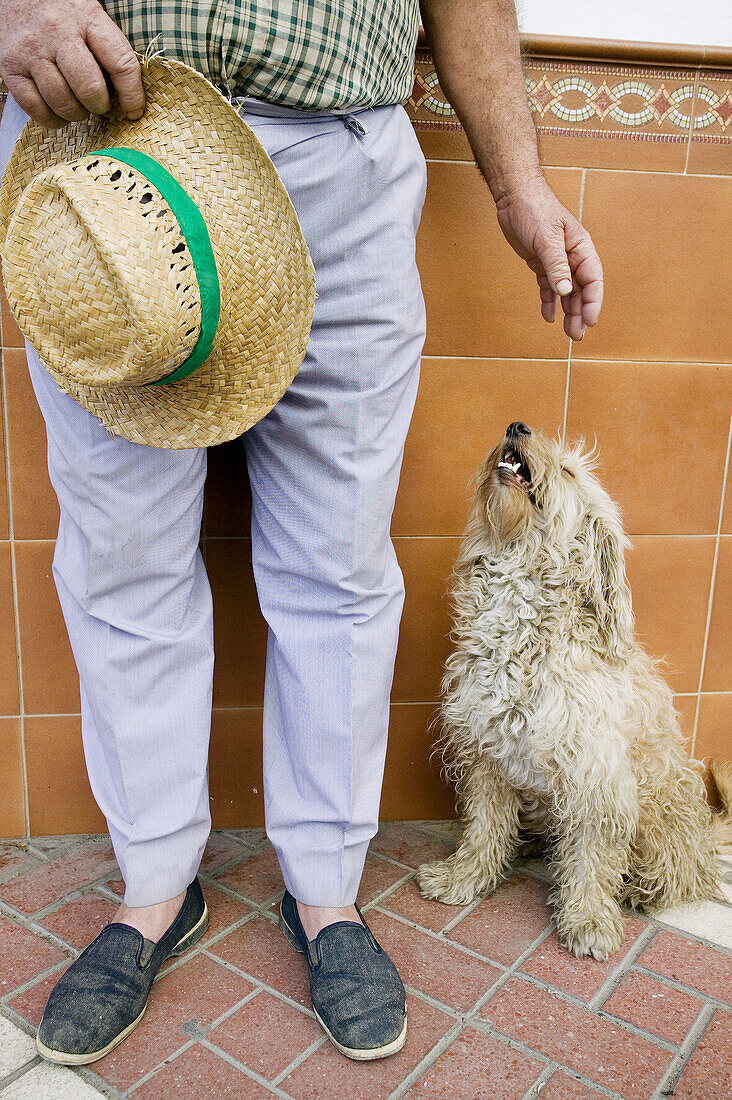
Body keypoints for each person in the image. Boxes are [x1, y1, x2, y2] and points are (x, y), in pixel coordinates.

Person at [0, 0, 603, 1066]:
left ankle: (326, 895)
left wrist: (519, 183)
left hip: (340, 153)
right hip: (104, 144)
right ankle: (152, 890)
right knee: (121, 556)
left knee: (337, 566)